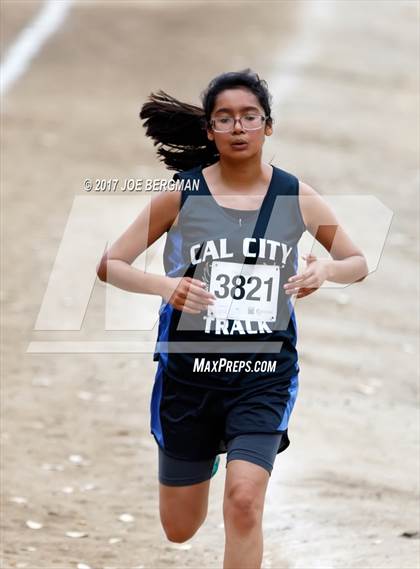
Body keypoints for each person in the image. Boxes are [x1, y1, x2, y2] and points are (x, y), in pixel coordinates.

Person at [96, 69, 369, 569]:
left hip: (262, 377)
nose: (238, 127)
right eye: (225, 118)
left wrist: (326, 270)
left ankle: (238, 445)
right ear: (209, 130)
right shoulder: (181, 195)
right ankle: (211, 447)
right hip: (189, 376)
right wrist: (167, 287)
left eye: (249, 117)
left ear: (268, 127)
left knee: (244, 501)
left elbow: (358, 262)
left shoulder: (296, 195)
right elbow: (110, 264)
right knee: (180, 528)